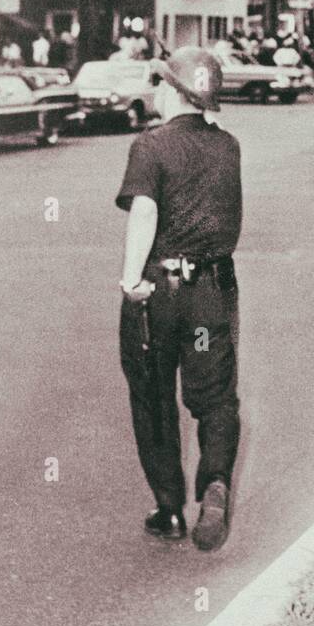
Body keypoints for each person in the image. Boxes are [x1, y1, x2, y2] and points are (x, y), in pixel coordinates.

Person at [115, 46, 243, 552]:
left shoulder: (150, 146)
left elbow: (143, 214)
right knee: (215, 397)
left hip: (159, 292)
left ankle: (169, 510)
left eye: (159, 83)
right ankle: (215, 481)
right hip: (211, 291)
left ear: (172, 91)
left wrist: (130, 280)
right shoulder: (228, 145)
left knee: (152, 396)